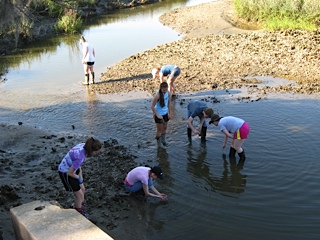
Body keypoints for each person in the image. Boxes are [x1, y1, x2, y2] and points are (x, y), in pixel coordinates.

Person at [58, 137, 102, 218]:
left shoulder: (83, 146)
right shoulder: (80, 157)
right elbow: (70, 173)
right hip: (65, 172)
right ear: (91, 151)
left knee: (82, 189)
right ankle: (79, 214)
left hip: (74, 169)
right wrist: (78, 178)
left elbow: (78, 165)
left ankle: (80, 206)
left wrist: (81, 178)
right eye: (96, 152)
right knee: (79, 195)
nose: (96, 154)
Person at [151, 82, 171, 149]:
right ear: (161, 88)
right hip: (159, 114)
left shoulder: (168, 93)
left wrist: (169, 113)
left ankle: (163, 141)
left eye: (166, 89)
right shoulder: (158, 95)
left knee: (165, 128)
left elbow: (168, 103)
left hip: (165, 113)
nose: (165, 91)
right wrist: (157, 115)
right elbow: (152, 106)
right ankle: (159, 144)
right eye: (163, 90)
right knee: (159, 130)